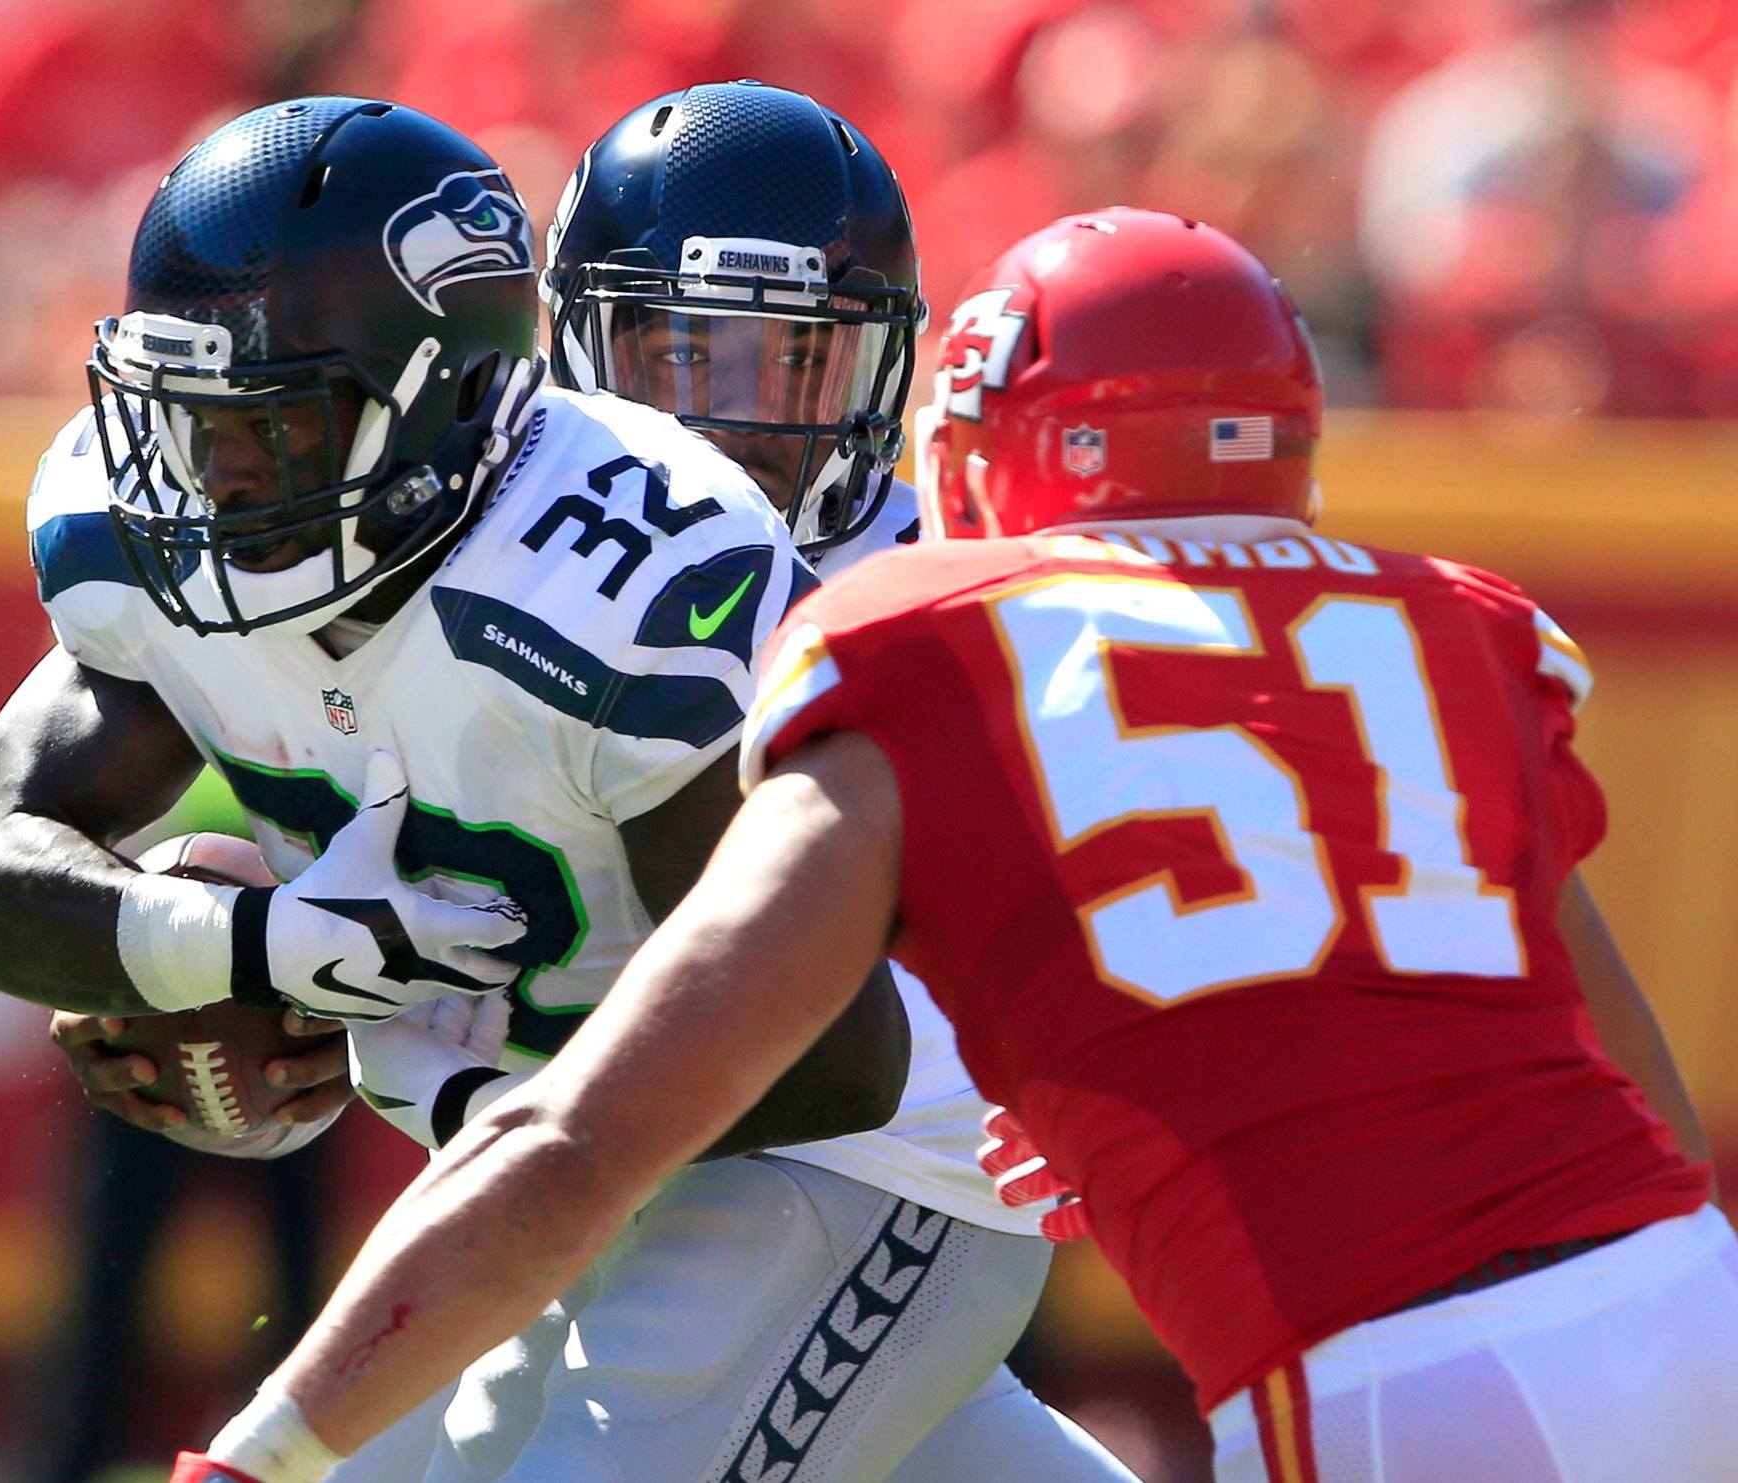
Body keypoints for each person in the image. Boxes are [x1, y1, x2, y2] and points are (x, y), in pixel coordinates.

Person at [163, 208, 1736, 1483]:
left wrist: (255, 1462)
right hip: (1685, 1306)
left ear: (998, 442)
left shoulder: (940, 643)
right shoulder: (1447, 626)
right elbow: (1619, 1079)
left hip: (1387, 1386)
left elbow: (575, 1146)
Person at [0, 95, 1131, 1483]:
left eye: (280, 423)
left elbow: (818, 1053)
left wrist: (441, 1060)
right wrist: (243, 949)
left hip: (851, 1157)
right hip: (562, 1178)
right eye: (200, 420)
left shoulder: (644, 574)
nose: (224, 469)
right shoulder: (188, 535)